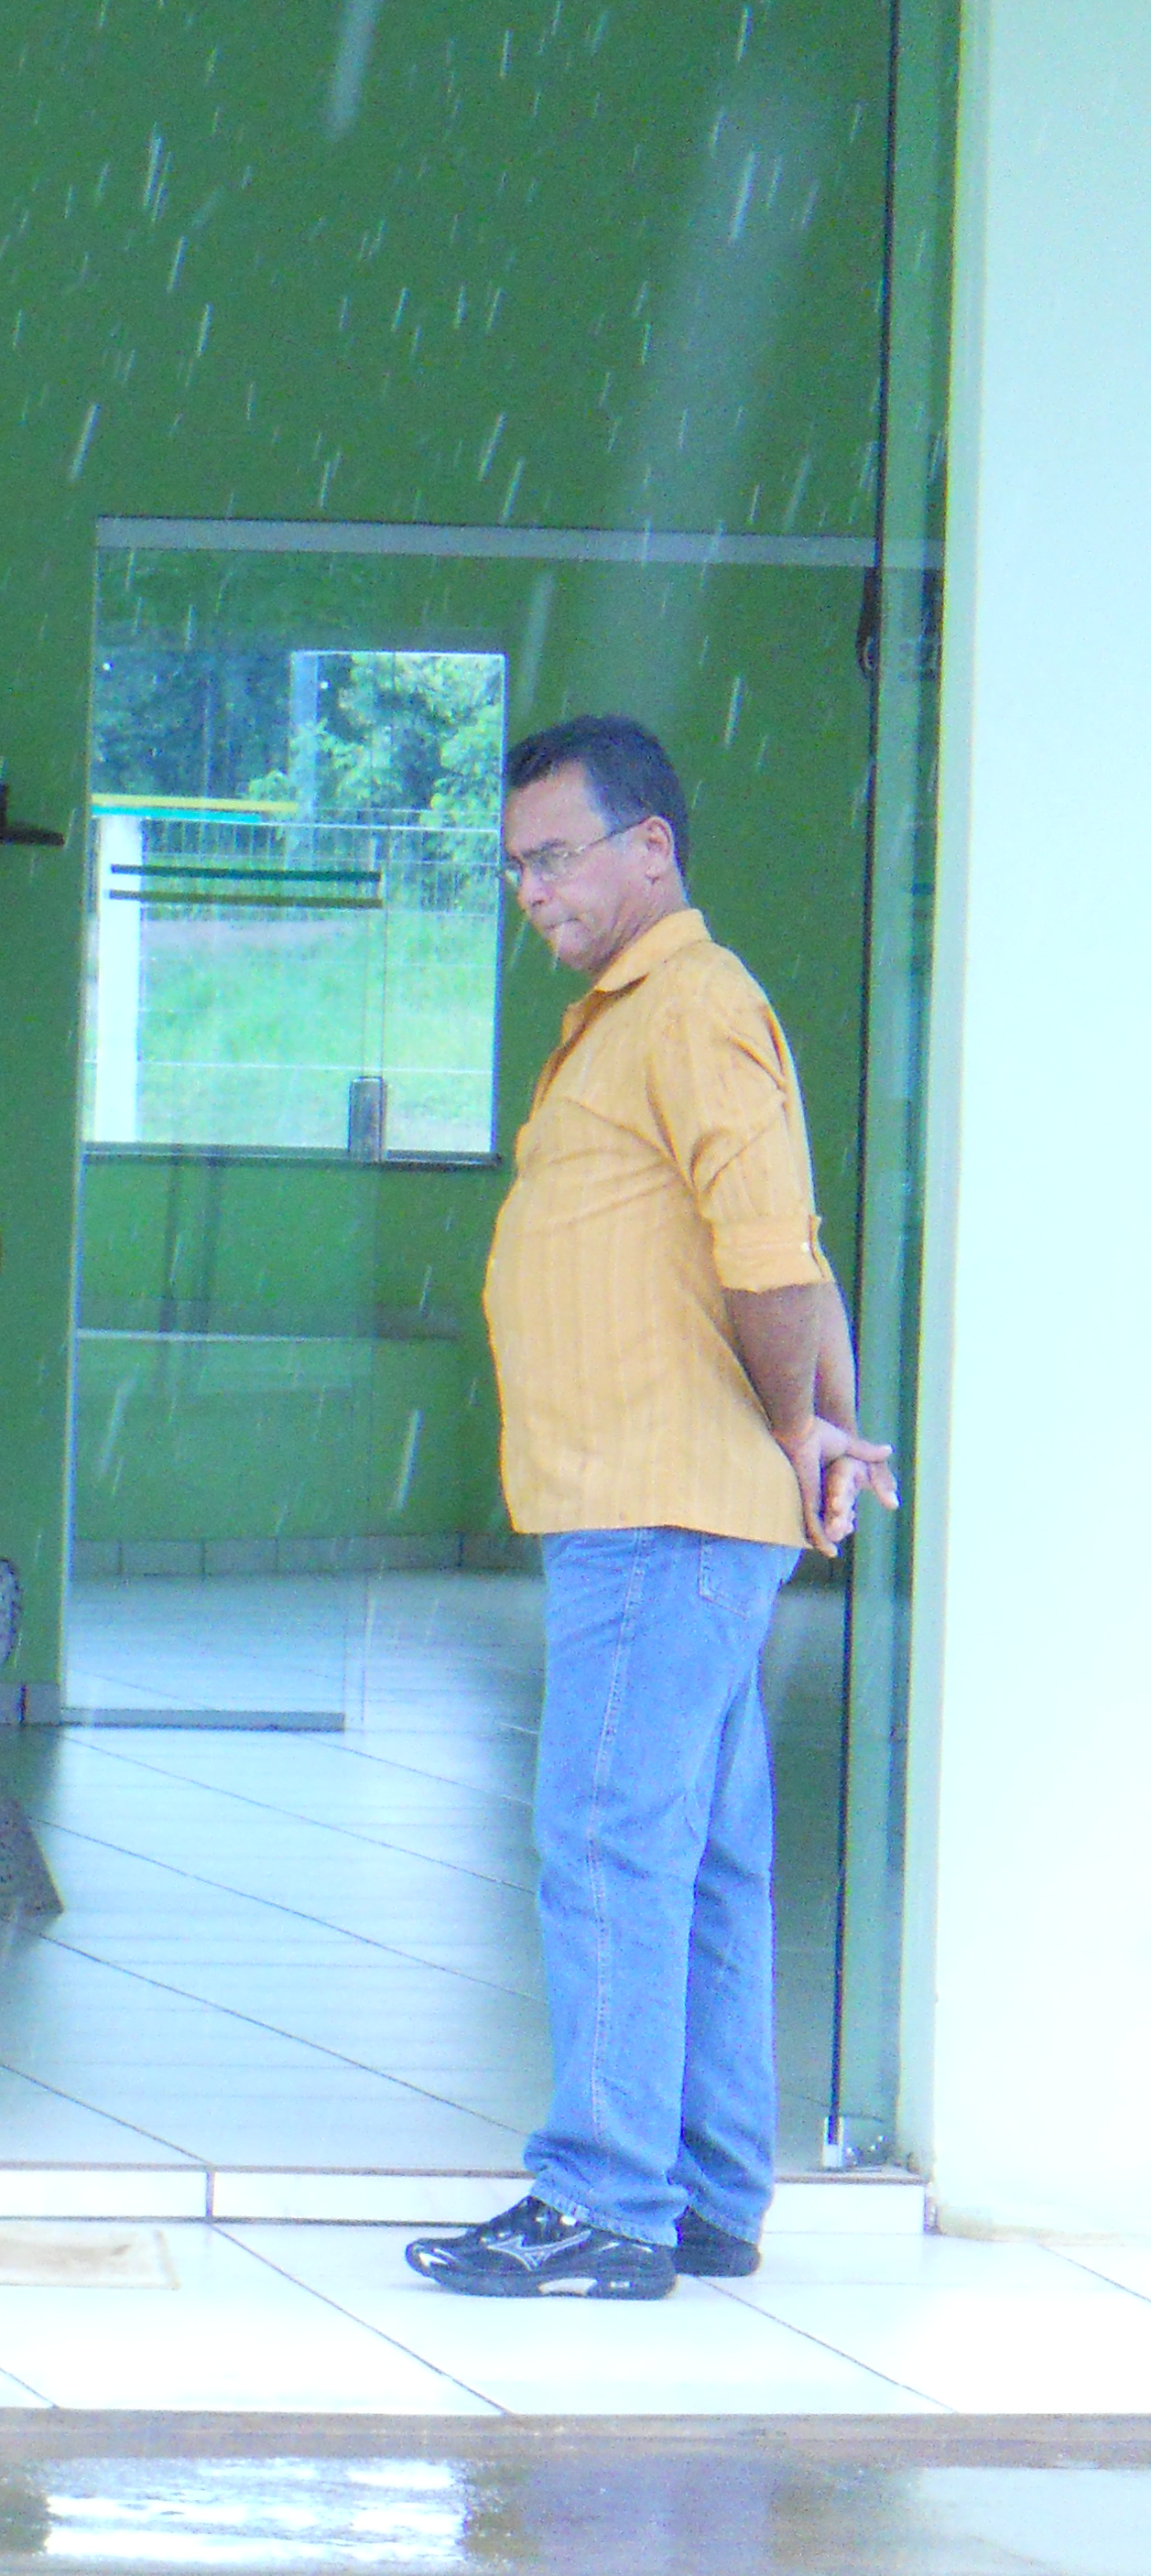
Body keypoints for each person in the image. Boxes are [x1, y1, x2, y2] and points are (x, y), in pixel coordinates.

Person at [406, 715, 897, 2303]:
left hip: (662, 1513)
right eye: (514, 869)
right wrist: (818, 1426)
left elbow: (772, 1251)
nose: (533, 892)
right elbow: (788, 1246)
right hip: (663, 1506)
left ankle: (605, 2200)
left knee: (612, 1842)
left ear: (652, 847)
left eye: (555, 857)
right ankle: (704, 2193)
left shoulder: (689, 1005)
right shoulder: (640, 1014)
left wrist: (800, 1424)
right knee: (700, 1859)